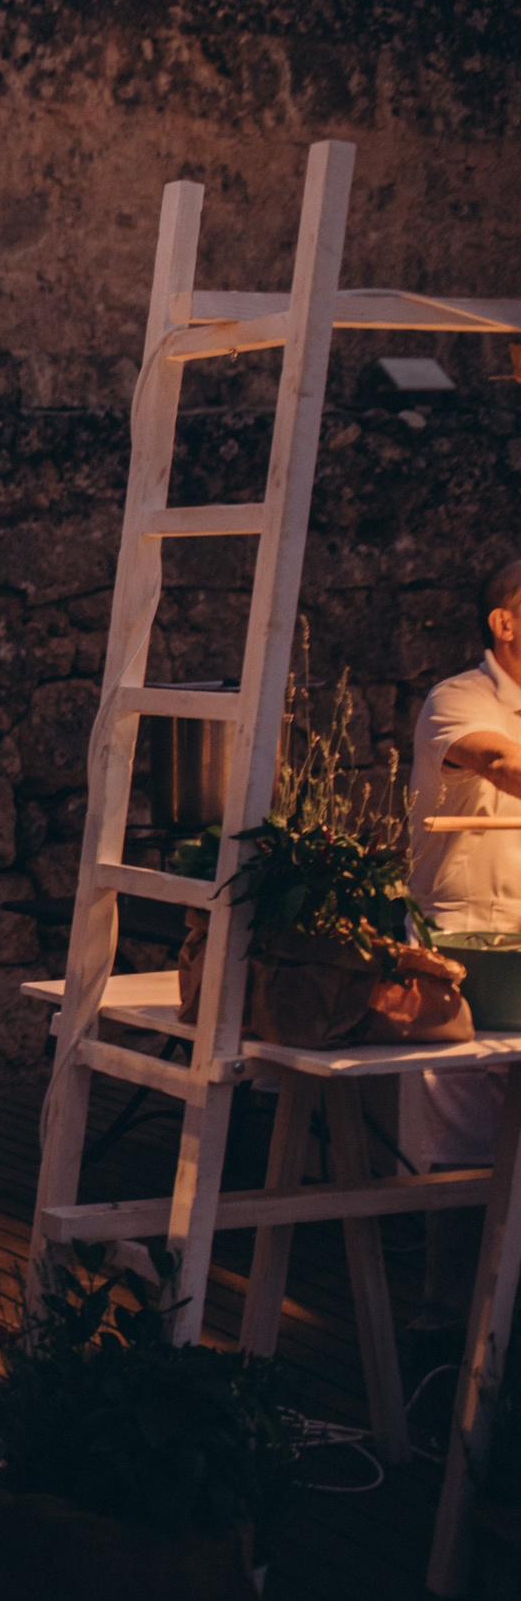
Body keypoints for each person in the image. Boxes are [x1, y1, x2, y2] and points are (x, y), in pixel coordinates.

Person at [401, 558, 521, 1310]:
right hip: (461, 953)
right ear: (505, 622)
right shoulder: (460, 697)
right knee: (464, 1161)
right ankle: (443, 1337)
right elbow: (501, 762)